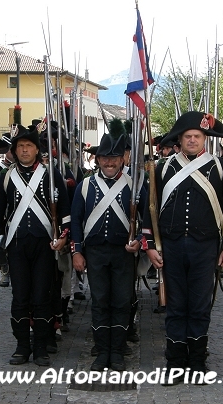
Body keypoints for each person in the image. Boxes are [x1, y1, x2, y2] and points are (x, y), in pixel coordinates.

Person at [143, 111, 223, 384]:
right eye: (188, 136)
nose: (193, 140)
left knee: (199, 306)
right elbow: (148, 210)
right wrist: (150, 246)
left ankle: (197, 363)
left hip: (206, 247)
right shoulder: (163, 168)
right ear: (181, 139)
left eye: (198, 136)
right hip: (171, 247)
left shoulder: (220, 168)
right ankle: (174, 364)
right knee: (175, 306)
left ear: (204, 139)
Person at [0, 124, 70, 367]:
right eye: (20, 146)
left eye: (29, 146)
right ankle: (22, 346)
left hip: (45, 245)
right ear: (15, 150)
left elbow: (64, 211)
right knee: (20, 297)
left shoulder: (51, 174)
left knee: (42, 297)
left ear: (37, 150)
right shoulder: (6, 177)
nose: (24, 150)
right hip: (17, 245)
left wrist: (63, 235)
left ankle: (41, 347)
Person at [71, 121, 146, 372]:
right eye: (104, 157)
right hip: (95, 253)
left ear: (121, 159)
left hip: (124, 253)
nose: (109, 162)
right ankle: (102, 352)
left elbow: (147, 221)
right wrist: (77, 251)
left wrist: (139, 242)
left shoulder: (134, 185)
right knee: (100, 301)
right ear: (98, 159)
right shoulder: (84, 186)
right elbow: (77, 222)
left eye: (113, 157)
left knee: (122, 302)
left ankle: (117, 353)